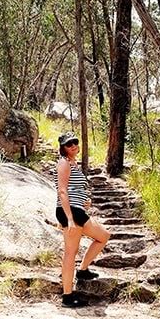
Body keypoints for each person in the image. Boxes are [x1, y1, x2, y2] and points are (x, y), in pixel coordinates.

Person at [55, 131, 110, 308]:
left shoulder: (74, 164)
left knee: (103, 236)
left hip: (77, 209)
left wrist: (85, 201)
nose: (73, 146)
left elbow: (74, 189)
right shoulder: (63, 163)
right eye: (68, 144)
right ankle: (67, 296)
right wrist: (69, 219)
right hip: (70, 212)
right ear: (63, 148)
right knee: (70, 253)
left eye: (74, 142)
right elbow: (62, 191)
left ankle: (83, 270)